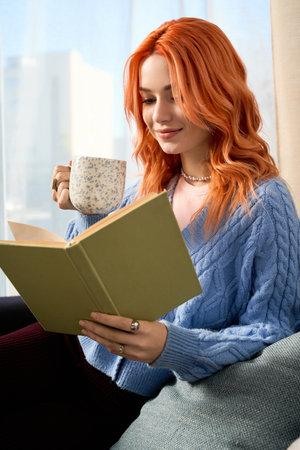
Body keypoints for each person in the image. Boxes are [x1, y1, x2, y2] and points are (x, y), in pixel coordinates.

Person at [0, 17, 299, 450]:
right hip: (67, 346)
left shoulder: (264, 203)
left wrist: (170, 345)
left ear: (218, 92)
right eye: (147, 99)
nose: (158, 116)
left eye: (176, 96)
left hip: (118, 400)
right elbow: (92, 270)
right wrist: (88, 212)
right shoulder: (149, 184)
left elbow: (273, 332)